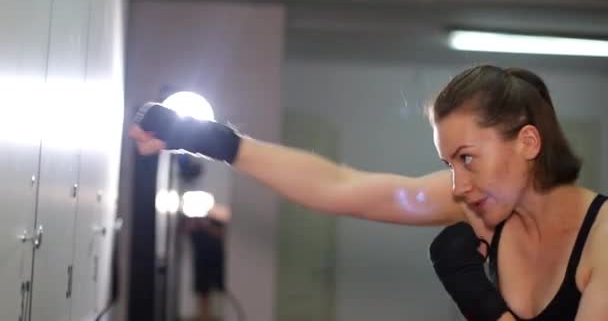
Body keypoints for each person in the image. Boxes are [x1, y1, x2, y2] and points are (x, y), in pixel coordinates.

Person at [129, 65, 608, 320]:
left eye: (467, 158)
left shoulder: (602, 240)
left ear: (527, 142)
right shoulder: (485, 205)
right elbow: (341, 187)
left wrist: (479, 301)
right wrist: (205, 138)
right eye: (449, 165)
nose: (458, 186)